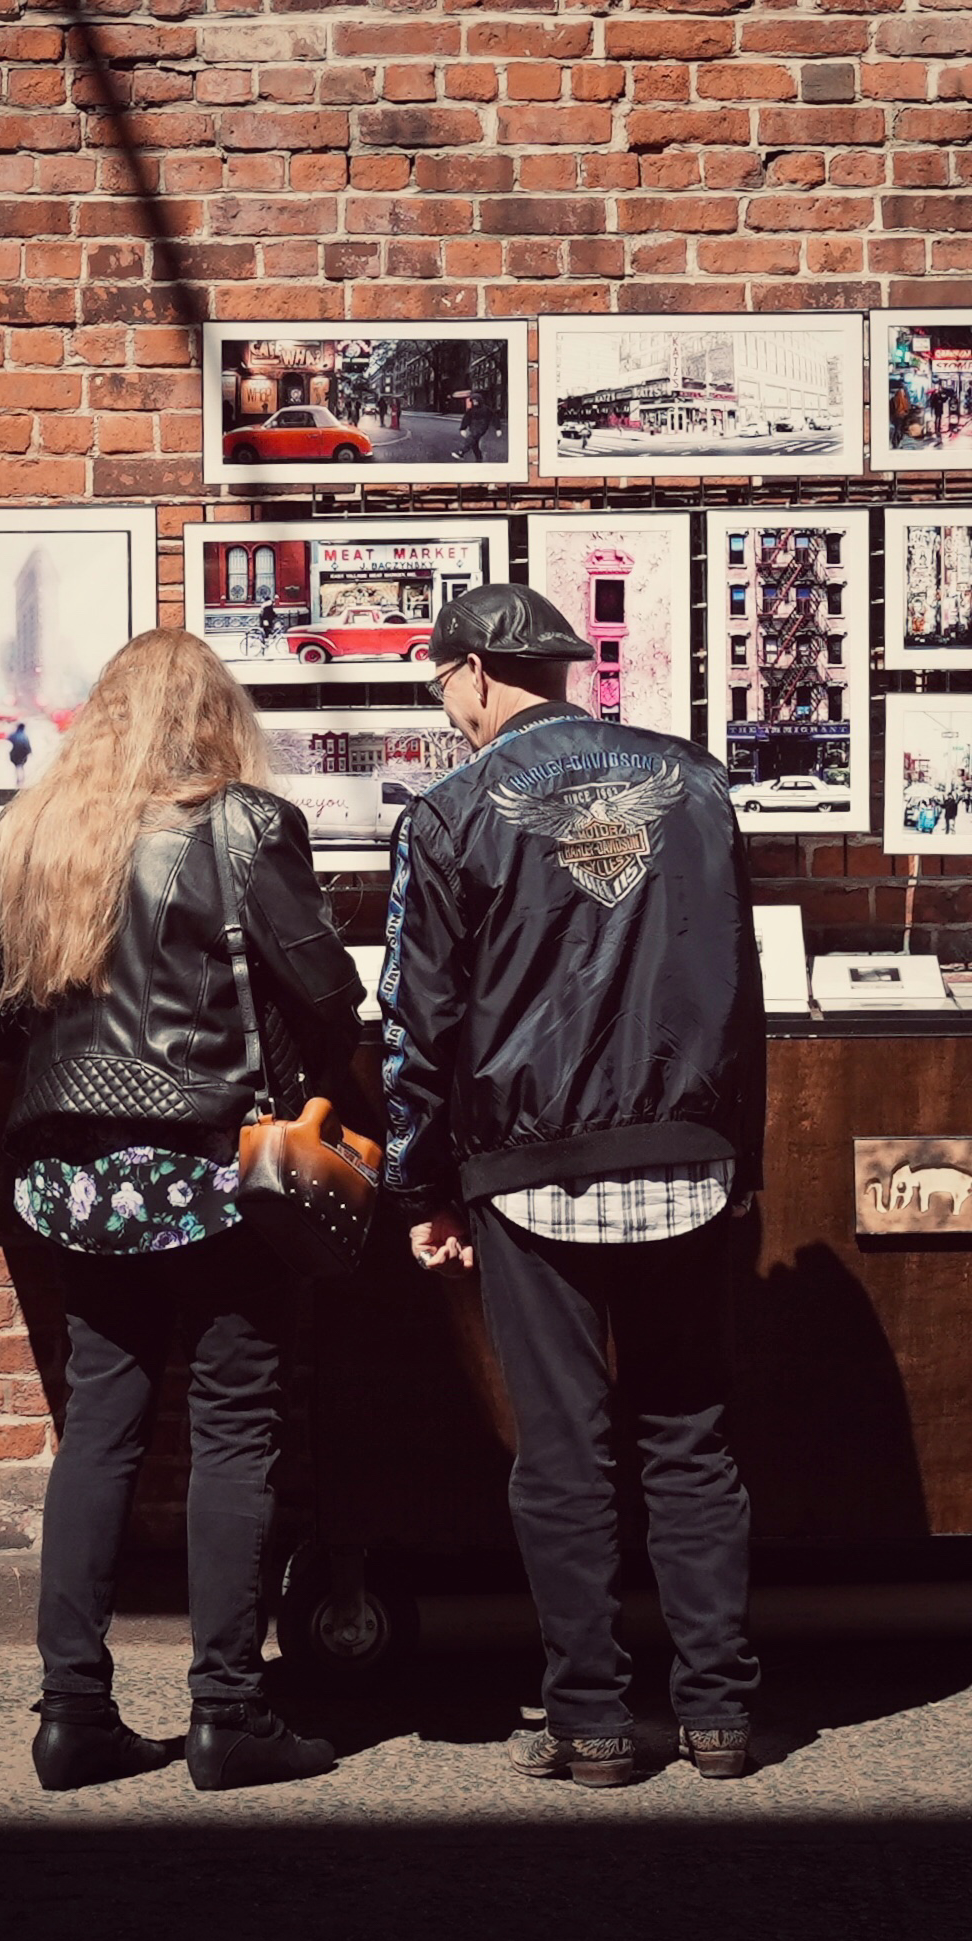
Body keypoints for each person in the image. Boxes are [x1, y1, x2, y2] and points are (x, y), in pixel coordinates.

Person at [381, 583, 767, 1790]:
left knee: (561, 1453)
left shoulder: (450, 811)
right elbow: (738, 986)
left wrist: (421, 1185)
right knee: (690, 1440)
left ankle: (591, 1721)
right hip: (684, 1158)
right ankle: (719, 1716)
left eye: (440, 683)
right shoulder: (694, 782)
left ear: (475, 672)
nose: (444, 706)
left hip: (529, 1169)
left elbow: (417, 1021)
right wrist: (738, 1157)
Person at [0, 629, 365, 1795]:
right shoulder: (244, 824)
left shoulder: (31, 831)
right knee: (234, 1425)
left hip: (77, 1177)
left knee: (100, 1424)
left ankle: (71, 1715)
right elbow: (326, 991)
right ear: (211, 717)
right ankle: (226, 1713)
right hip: (212, 1165)